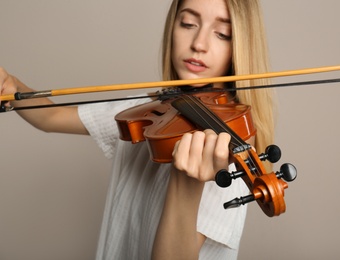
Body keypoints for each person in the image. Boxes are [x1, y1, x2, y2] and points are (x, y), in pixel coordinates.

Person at [0, 0, 274, 259]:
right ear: (172, 27)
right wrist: (11, 86)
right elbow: (51, 117)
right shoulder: (150, 110)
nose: (198, 44)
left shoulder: (228, 144)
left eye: (222, 34)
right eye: (188, 23)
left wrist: (186, 183)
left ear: (240, 45)